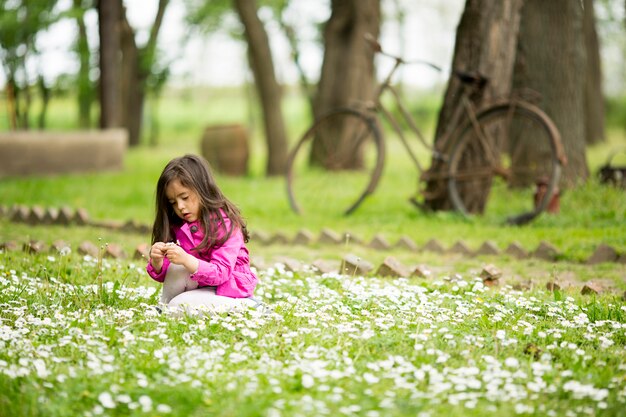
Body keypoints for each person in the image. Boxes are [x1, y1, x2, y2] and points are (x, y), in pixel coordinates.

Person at [146, 154, 259, 314]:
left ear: (202, 188)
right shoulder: (178, 225)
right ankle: (163, 308)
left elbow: (221, 273)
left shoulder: (225, 224)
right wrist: (157, 263)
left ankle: (250, 307)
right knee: (176, 293)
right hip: (200, 286)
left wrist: (186, 259)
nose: (180, 207)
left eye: (184, 197)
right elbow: (171, 275)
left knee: (179, 305)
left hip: (227, 290)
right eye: (172, 202)